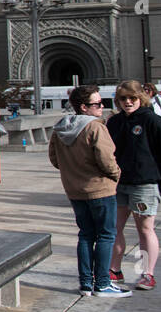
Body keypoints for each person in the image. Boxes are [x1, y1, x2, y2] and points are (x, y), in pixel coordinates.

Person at [49, 84, 130, 297]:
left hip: (75, 190)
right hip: (100, 189)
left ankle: (86, 283)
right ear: (84, 107)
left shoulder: (60, 128)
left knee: (85, 235)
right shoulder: (95, 127)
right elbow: (107, 159)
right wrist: (116, 175)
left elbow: (55, 159)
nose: (102, 107)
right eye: (97, 103)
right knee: (105, 235)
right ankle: (102, 283)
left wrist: (73, 171)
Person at [107, 80, 161, 291]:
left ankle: (147, 273)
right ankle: (114, 269)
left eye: (132, 98)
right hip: (119, 184)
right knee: (114, 228)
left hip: (144, 183)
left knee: (145, 229)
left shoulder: (153, 121)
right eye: (123, 99)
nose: (128, 102)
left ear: (141, 99)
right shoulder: (115, 122)